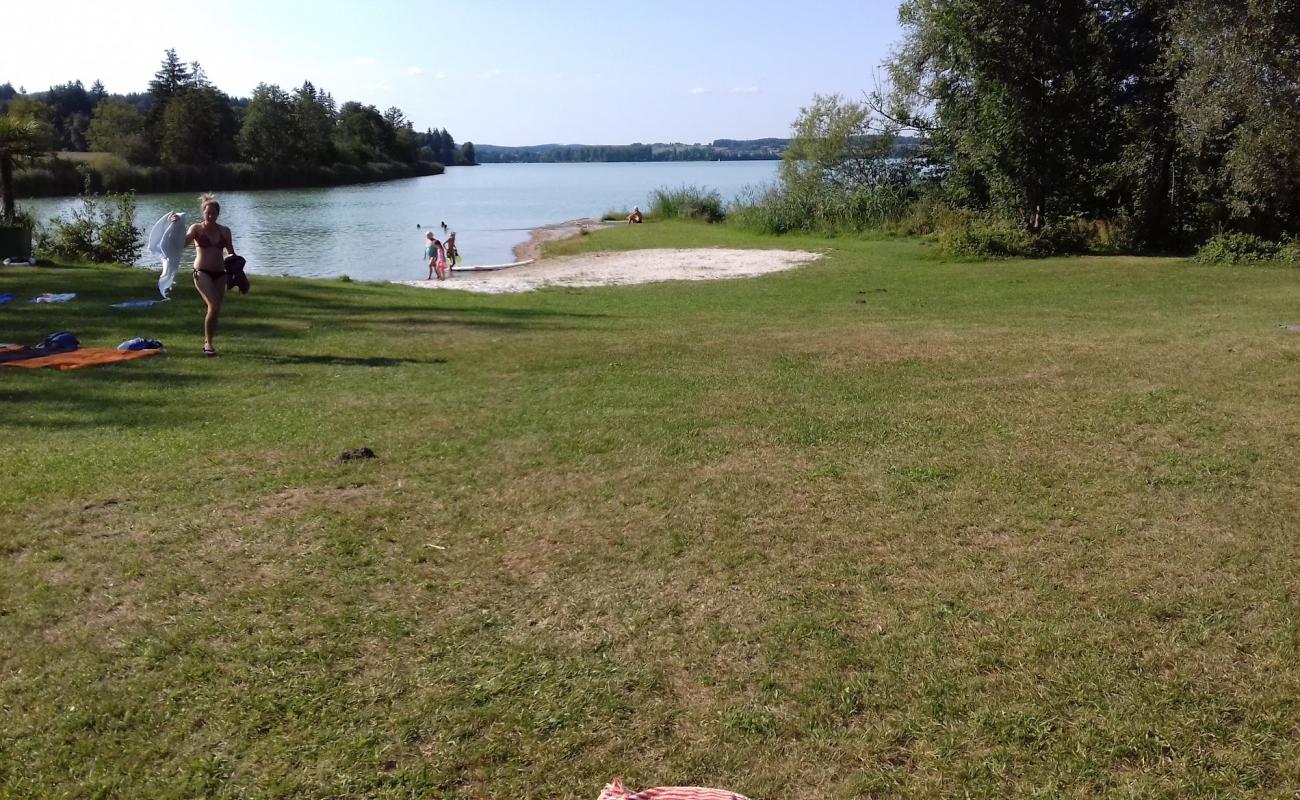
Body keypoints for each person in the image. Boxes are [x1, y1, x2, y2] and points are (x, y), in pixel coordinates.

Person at [178, 193, 236, 356]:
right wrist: (175, 225)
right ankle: (208, 345)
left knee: (215, 309)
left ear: (218, 214)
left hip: (220, 273)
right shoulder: (196, 228)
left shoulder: (224, 231)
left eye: (214, 213)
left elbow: (231, 253)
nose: (210, 216)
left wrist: (236, 273)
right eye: (207, 212)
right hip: (201, 272)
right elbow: (182, 243)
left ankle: (209, 341)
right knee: (214, 305)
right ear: (203, 212)